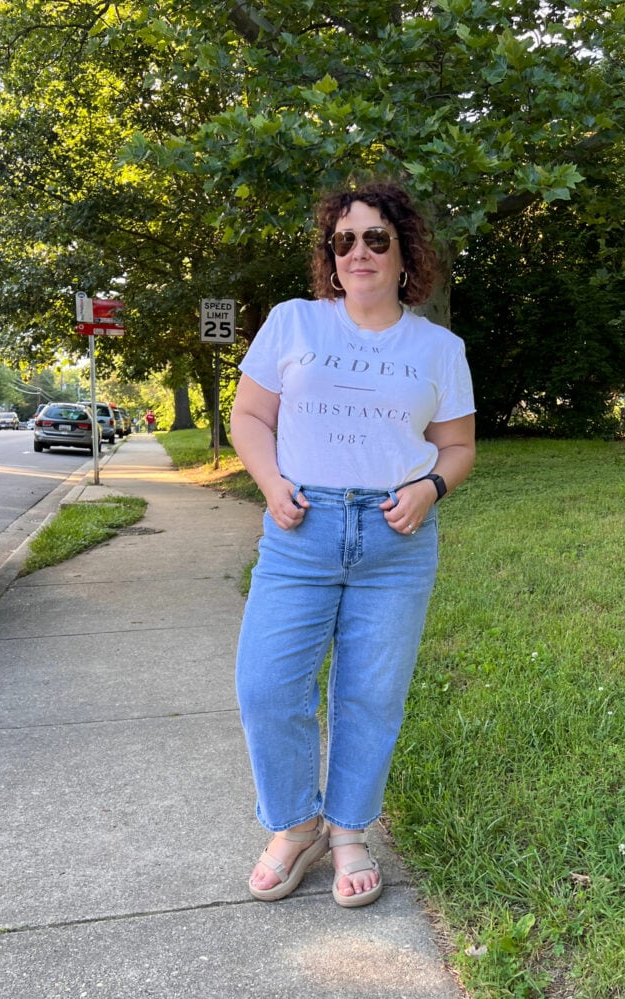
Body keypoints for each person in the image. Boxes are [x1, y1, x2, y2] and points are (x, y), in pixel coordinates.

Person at [230, 180, 476, 908]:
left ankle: (349, 832)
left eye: (376, 238)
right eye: (344, 240)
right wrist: (271, 484)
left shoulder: (438, 347)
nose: (359, 251)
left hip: (394, 540)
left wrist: (430, 487)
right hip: (299, 529)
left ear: (404, 254)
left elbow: (458, 445)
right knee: (267, 686)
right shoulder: (293, 323)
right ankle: (294, 825)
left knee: (371, 695)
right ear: (329, 257)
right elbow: (249, 415)